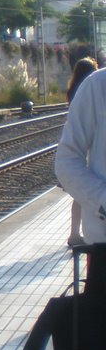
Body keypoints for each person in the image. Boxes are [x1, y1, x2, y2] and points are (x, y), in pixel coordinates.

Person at [62, 57, 98, 245]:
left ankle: (74, 232)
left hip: (77, 141)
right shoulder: (92, 87)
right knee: (81, 194)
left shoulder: (73, 89)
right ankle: (75, 234)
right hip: (89, 146)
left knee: (78, 194)